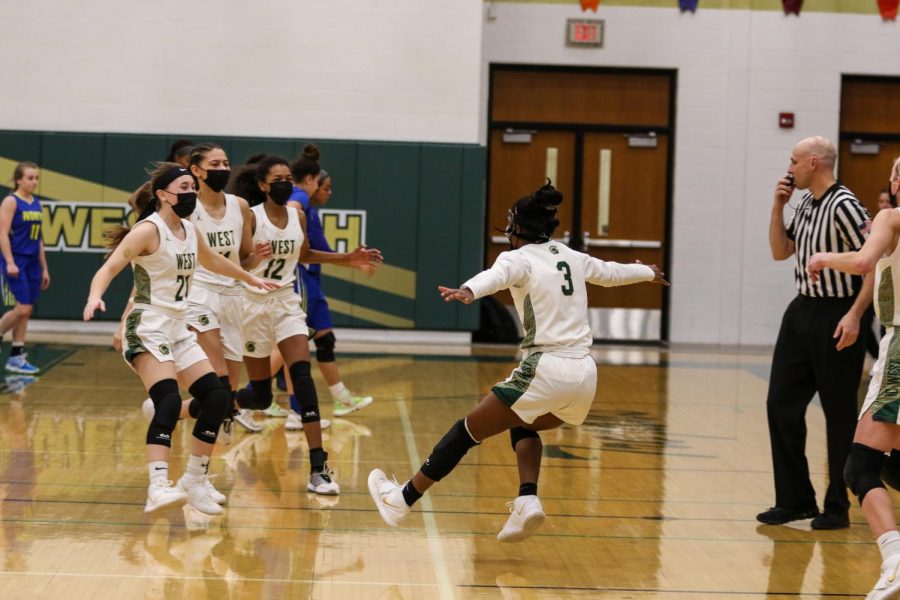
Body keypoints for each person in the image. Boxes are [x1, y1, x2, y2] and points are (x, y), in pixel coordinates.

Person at [367, 181, 668, 540]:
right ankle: (527, 500)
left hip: (546, 368)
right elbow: (610, 273)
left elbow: (497, 277)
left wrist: (469, 290)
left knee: (465, 431)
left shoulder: (517, 257)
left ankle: (401, 500)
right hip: (585, 377)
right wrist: (648, 272)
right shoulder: (570, 255)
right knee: (524, 423)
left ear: (516, 228)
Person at [83, 163, 276, 515]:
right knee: (169, 402)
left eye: (192, 186)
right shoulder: (147, 230)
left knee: (217, 398)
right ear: (163, 195)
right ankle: (157, 486)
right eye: (184, 187)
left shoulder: (188, 228)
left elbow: (213, 261)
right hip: (148, 325)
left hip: (178, 326)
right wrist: (95, 295)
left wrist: (251, 279)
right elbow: (109, 267)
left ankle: (195, 480)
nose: (191, 192)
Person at [231, 155, 382, 495]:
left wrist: (348, 259)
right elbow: (235, 263)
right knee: (259, 394)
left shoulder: (298, 215)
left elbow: (306, 255)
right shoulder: (249, 218)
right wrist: (254, 258)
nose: (286, 183)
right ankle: (227, 406)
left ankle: (319, 469)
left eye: (289, 177)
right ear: (262, 185)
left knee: (302, 377)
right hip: (252, 306)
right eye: (278, 178)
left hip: (285, 303)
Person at [758, 136, 873, 530]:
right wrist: (778, 206)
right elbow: (779, 251)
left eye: (793, 161)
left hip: (838, 314)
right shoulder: (804, 201)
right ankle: (794, 500)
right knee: (780, 405)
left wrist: (857, 314)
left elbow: (873, 264)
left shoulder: (846, 206)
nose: (788, 169)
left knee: (839, 413)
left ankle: (836, 506)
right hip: (801, 311)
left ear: (812, 162)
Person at [807, 182, 900, 598]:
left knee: (860, 466)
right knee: (893, 467)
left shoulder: (890, 217)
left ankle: (895, 558)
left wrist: (824, 257)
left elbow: (864, 261)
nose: (892, 180)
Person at [279, 146, 374, 422]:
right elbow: (291, 209)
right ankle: (265, 401)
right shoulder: (299, 198)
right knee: (291, 345)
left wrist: (352, 261)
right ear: (311, 180)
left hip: (312, 280)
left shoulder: (309, 208)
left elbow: (321, 250)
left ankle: (341, 398)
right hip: (300, 278)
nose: (329, 192)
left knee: (323, 339)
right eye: (326, 187)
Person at [0, 162, 50, 374]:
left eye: (36, 178)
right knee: (23, 308)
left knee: (26, 311)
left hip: (32, 262)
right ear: (18, 180)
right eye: (30, 178)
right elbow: (2, 233)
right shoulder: (11, 201)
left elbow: (38, 239)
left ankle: (17, 357)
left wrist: (44, 268)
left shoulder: (35, 202)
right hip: (16, 259)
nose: (34, 182)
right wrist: (10, 261)